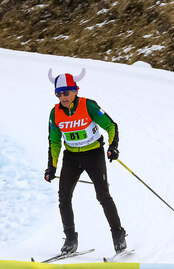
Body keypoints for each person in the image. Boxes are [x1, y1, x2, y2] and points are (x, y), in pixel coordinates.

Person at [44, 68, 127, 255]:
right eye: (58, 93)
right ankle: (70, 238)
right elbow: (54, 141)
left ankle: (118, 234)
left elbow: (111, 126)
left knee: (103, 195)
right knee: (64, 198)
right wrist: (51, 166)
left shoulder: (88, 106)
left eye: (66, 92)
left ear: (75, 90)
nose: (62, 97)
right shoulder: (54, 113)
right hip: (71, 157)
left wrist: (113, 146)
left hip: (93, 155)